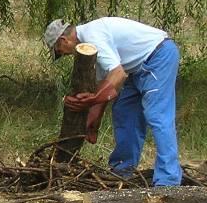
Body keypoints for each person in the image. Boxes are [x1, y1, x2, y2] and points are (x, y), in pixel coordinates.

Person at [43, 17, 182, 186]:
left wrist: (94, 98)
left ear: (63, 40)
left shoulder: (93, 36)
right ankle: (121, 171)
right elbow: (105, 85)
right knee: (124, 112)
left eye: (59, 50)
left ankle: (168, 181)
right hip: (135, 68)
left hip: (157, 57)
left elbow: (118, 74)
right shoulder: (91, 47)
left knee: (158, 116)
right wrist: (93, 123)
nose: (64, 55)